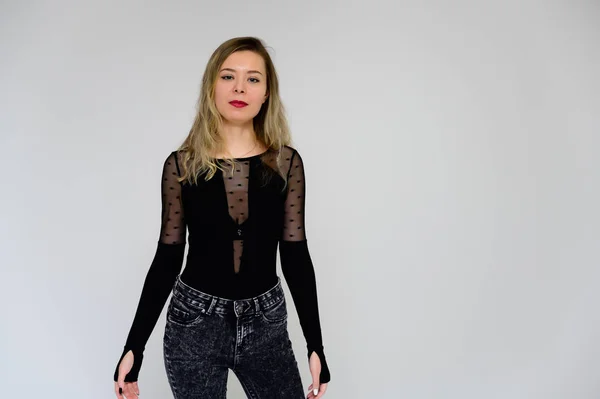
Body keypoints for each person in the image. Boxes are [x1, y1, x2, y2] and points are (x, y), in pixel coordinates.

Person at [112, 36, 330, 399]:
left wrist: (315, 344)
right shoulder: (181, 166)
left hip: (266, 324)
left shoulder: (286, 163)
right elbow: (168, 257)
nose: (240, 87)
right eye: (228, 76)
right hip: (193, 324)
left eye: (253, 79)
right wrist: (134, 347)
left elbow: (294, 255)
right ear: (211, 86)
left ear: (266, 94)